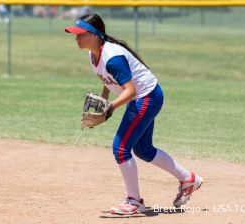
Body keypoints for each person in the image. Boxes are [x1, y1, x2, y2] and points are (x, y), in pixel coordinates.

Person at [64, 14, 203, 215]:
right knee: (143, 150)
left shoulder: (112, 57)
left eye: (81, 34)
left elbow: (131, 91)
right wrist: (104, 99)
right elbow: (108, 80)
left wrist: (110, 108)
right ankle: (188, 179)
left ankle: (134, 201)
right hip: (144, 96)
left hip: (146, 97)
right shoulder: (93, 54)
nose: (76, 38)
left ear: (94, 35)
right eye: (75, 34)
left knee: (120, 149)